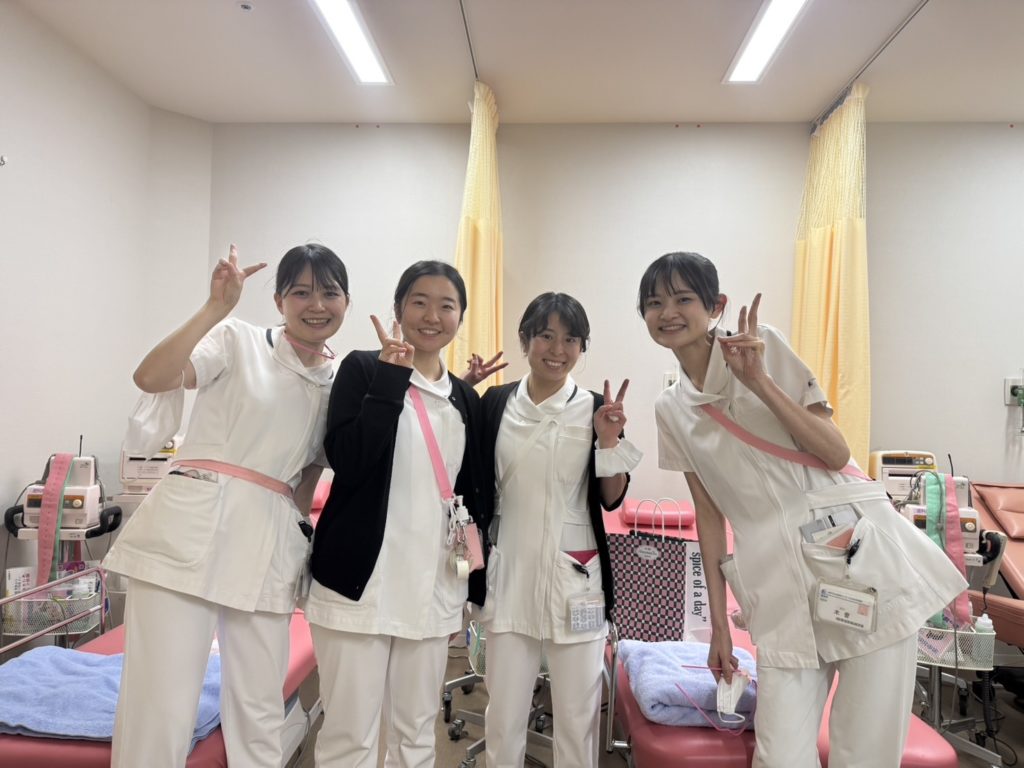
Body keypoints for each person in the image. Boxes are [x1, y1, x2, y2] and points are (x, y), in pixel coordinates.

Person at [639, 251, 967, 767]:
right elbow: (707, 513)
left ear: (715, 305)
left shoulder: (762, 347)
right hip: (775, 585)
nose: (668, 313)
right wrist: (719, 626)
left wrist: (759, 382)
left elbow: (835, 452)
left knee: (865, 751)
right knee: (779, 755)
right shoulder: (670, 408)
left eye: (683, 299)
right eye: (654, 303)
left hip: (857, 564)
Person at [104, 243, 350, 767]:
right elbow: (151, 378)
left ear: (345, 301)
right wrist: (214, 308)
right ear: (279, 300)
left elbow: (307, 480)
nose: (316, 304)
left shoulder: (338, 385)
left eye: (329, 292)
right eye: (300, 292)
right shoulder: (238, 339)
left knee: (260, 708)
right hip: (187, 535)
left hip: (269, 544)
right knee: (161, 703)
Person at [305, 260, 490, 768]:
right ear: (398, 308)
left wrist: (470, 584)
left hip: (431, 589)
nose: (432, 316)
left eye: (446, 305)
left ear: (460, 316)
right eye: (419, 302)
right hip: (359, 589)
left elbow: (472, 496)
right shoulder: (364, 369)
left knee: (415, 735)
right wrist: (391, 379)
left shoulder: (464, 398)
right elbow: (349, 460)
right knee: (350, 737)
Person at [479, 292, 640, 768]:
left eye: (571, 340)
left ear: (582, 347)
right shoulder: (496, 403)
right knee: (503, 715)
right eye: (546, 336)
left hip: (577, 580)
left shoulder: (595, 408)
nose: (558, 349)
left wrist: (608, 440)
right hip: (509, 573)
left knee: (577, 717)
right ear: (526, 339)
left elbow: (611, 497)